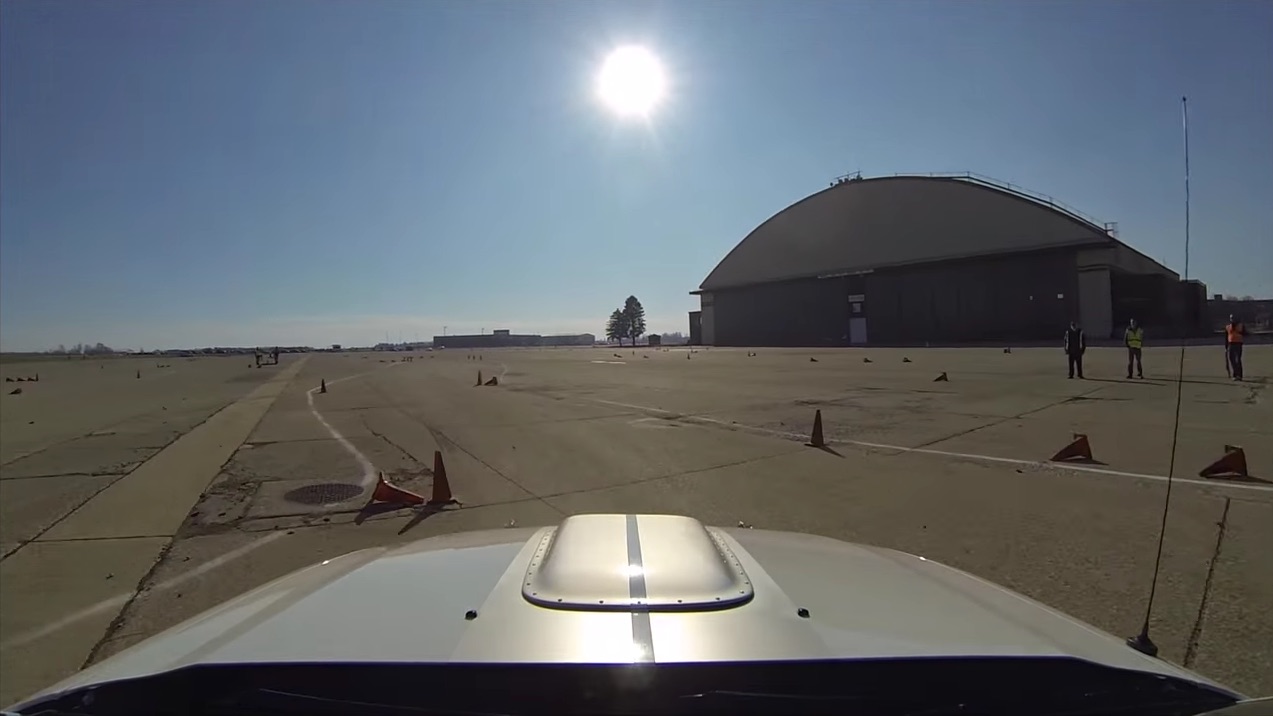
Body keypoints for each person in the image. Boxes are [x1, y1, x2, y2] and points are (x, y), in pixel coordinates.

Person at [1225, 314, 1247, 381]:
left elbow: (1245, 333)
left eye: (1233, 318)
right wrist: (1226, 347)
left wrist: (1240, 331)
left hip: (1238, 344)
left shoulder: (1240, 326)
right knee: (1232, 360)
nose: (1232, 319)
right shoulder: (1228, 327)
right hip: (1231, 344)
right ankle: (1235, 374)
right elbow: (1226, 337)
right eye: (1231, 318)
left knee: (1238, 360)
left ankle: (1239, 375)